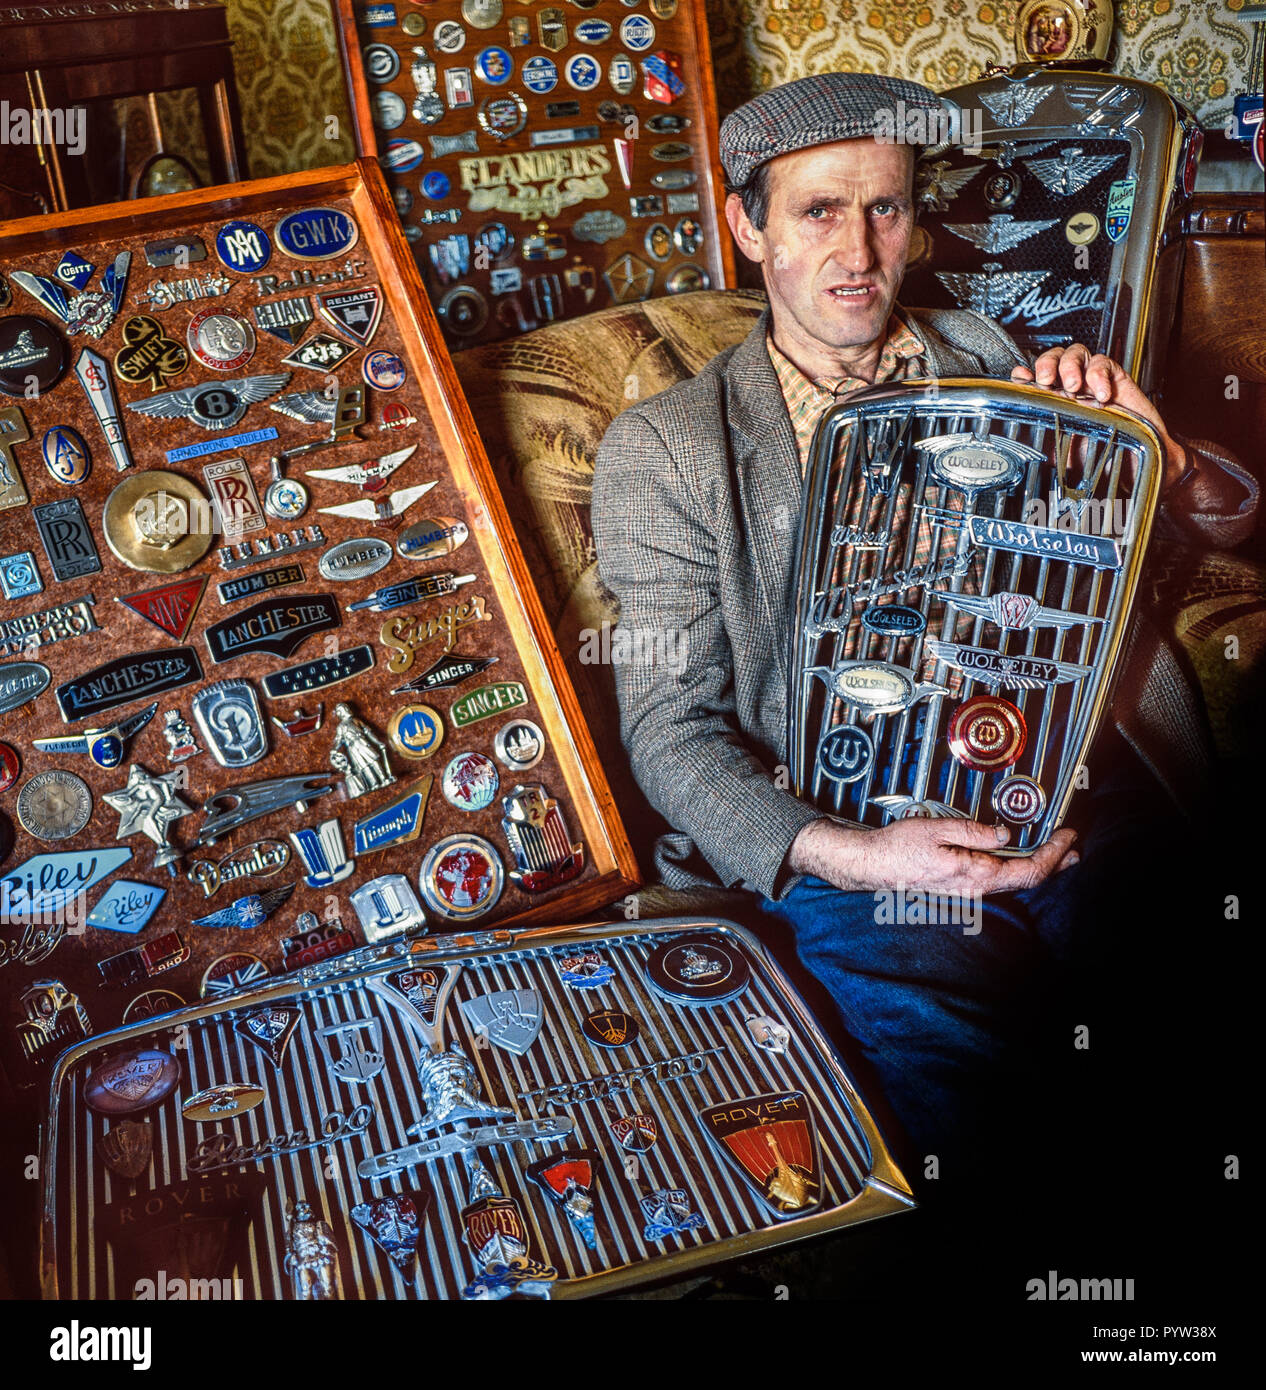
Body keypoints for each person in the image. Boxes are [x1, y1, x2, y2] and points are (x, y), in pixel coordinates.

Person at [592, 73, 1258, 1165]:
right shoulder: (664, 449)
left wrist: (1156, 453)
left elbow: (1206, 536)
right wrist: (859, 857)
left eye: (886, 207)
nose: (859, 251)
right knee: (962, 1097)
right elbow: (670, 733)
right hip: (848, 826)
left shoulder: (990, 354)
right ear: (748, 228)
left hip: (1069, 783)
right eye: (818, 211)